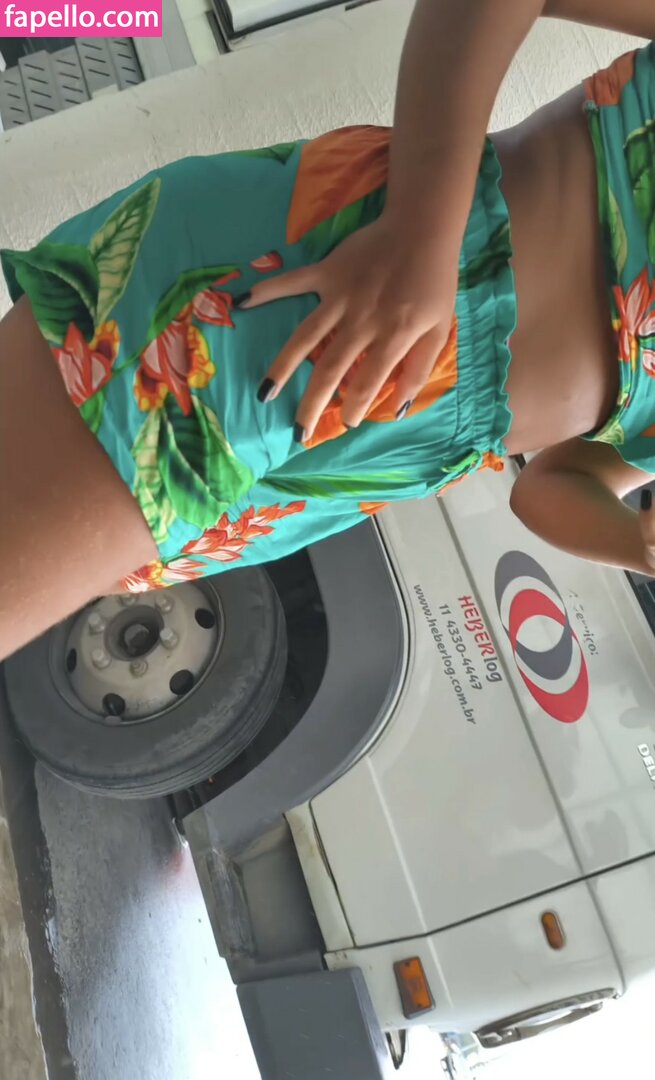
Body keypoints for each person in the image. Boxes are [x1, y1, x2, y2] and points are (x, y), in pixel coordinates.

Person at [1, 0, 655, 662]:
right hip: (317, 308)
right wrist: (423, 235)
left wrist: (637, 545)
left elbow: (557, 484)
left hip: (350, 461)